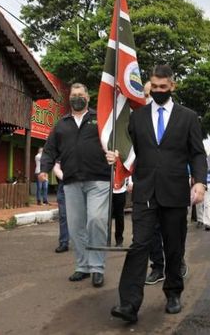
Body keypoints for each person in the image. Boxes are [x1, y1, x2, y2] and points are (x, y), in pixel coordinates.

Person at [110, 64, 207, 322]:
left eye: (165, 87)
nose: (160, 91)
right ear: (150, 86)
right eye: (155, 87)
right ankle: (128, 304)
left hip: (175, 193)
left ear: (172, 86)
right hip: (145, 192)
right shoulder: (137, 117)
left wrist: (200, 182)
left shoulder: (188, 117)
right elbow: (130, 152)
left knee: (173, 246)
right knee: (139, 245)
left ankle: (173, 291)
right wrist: (116, 157)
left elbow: (197, 153)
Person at [39, 83, 111, 288]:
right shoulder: (61, 124)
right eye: (73, 95)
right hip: (71, 182)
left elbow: (114, 142)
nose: (77, 98)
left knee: (96, 220)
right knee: (76, 226)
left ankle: (97, 267)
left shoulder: (100, 119)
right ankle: (83, 266)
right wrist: (44, 169)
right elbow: (50, 149)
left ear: (88, 97)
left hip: (98, 179)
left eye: (81, 94)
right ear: (69, 98)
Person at [53, 162, 69, 253]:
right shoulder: (61, 150)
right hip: (64, 184)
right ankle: (64, 242)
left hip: (79, 184)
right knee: (63, 215)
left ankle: (85, 241)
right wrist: (65, 178)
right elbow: (56, 167)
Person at [112, 179, 128, 247]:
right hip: (105, 189)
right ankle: (102, 238)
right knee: (104, 215)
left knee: (119, 216)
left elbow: (129, 169)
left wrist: (129, 182)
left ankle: (119, 240)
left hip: (121, 190)